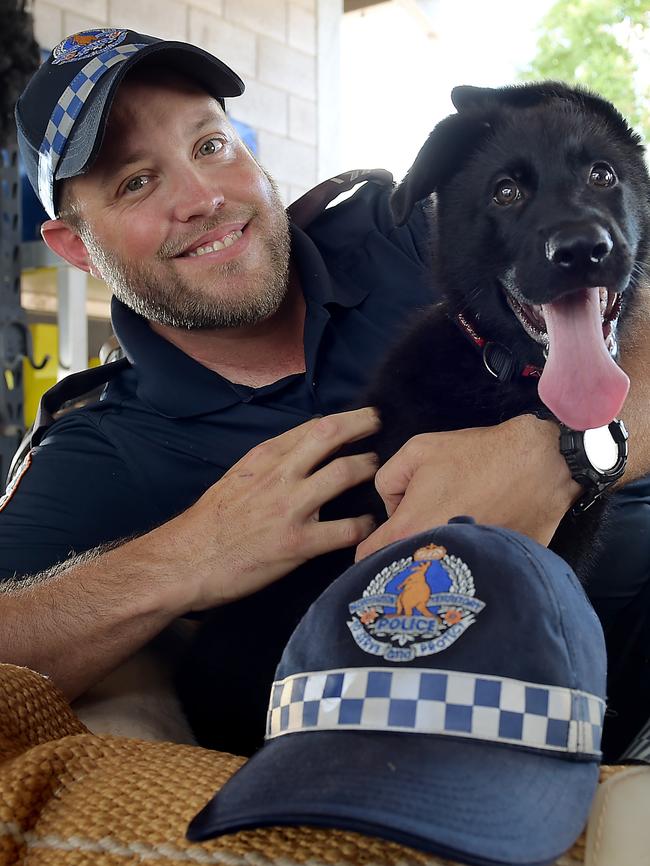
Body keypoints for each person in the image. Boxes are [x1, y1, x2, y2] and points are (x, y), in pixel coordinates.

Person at [3, 28, 649, 757]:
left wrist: (561, 455)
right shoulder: (100, 451)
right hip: (515, 741)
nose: (204, 197)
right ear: (77, 248)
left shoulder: (400, 227)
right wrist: (190, 556)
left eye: (210, 145)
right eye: (136, 181)